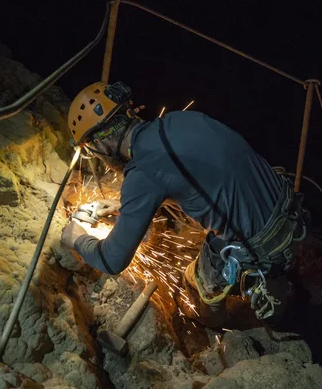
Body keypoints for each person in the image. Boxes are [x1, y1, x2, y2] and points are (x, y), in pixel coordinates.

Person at [60, 81, 308, 327]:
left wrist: (77, 239)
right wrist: (123, 205)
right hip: (291, 212)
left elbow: (112, 261)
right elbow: (191, 175)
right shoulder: (180, 120)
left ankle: (220, 325)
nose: (99, 159)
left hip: (265, 247)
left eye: (92, 151)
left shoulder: (144, 172)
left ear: (100, 144)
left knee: (196, 280)